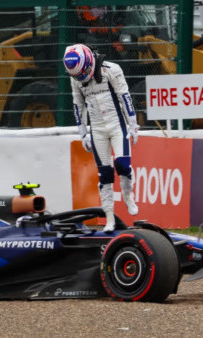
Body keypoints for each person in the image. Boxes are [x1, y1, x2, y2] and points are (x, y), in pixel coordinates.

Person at [63, 43, 139, 232]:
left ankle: (128, 195)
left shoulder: (112, 70)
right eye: (76, 75)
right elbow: (77, 105)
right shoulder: (76, 79)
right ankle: (109, 217)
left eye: (82, 73)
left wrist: (133, 125)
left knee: (122, 165)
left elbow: (125, 97)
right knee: (104, 175)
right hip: (96, 129)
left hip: (116, 125)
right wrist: (83, 133)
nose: (80, 78)